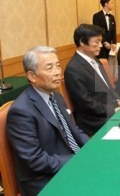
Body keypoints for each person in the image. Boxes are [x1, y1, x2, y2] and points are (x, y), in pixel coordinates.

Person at [6, 46, 89, 195]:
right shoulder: (21, 111)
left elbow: (73, 130)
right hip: (43, 179)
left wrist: (92, 148)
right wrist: (77, 160)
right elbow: (35, 160)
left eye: (58, 65)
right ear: (32, 76)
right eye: (49, 68)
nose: (57, 72)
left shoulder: (56, 96)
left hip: (66, 163)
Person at [64, 24, 120, 136]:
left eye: (100, 42)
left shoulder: (95, 60)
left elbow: (108, 86)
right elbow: (85, 102)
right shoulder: (74, 69)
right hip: (94, 120)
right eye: (96, 42)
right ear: (82, 42)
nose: (100, 45)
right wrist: (112, 111)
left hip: (108, 109)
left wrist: (118, 100)